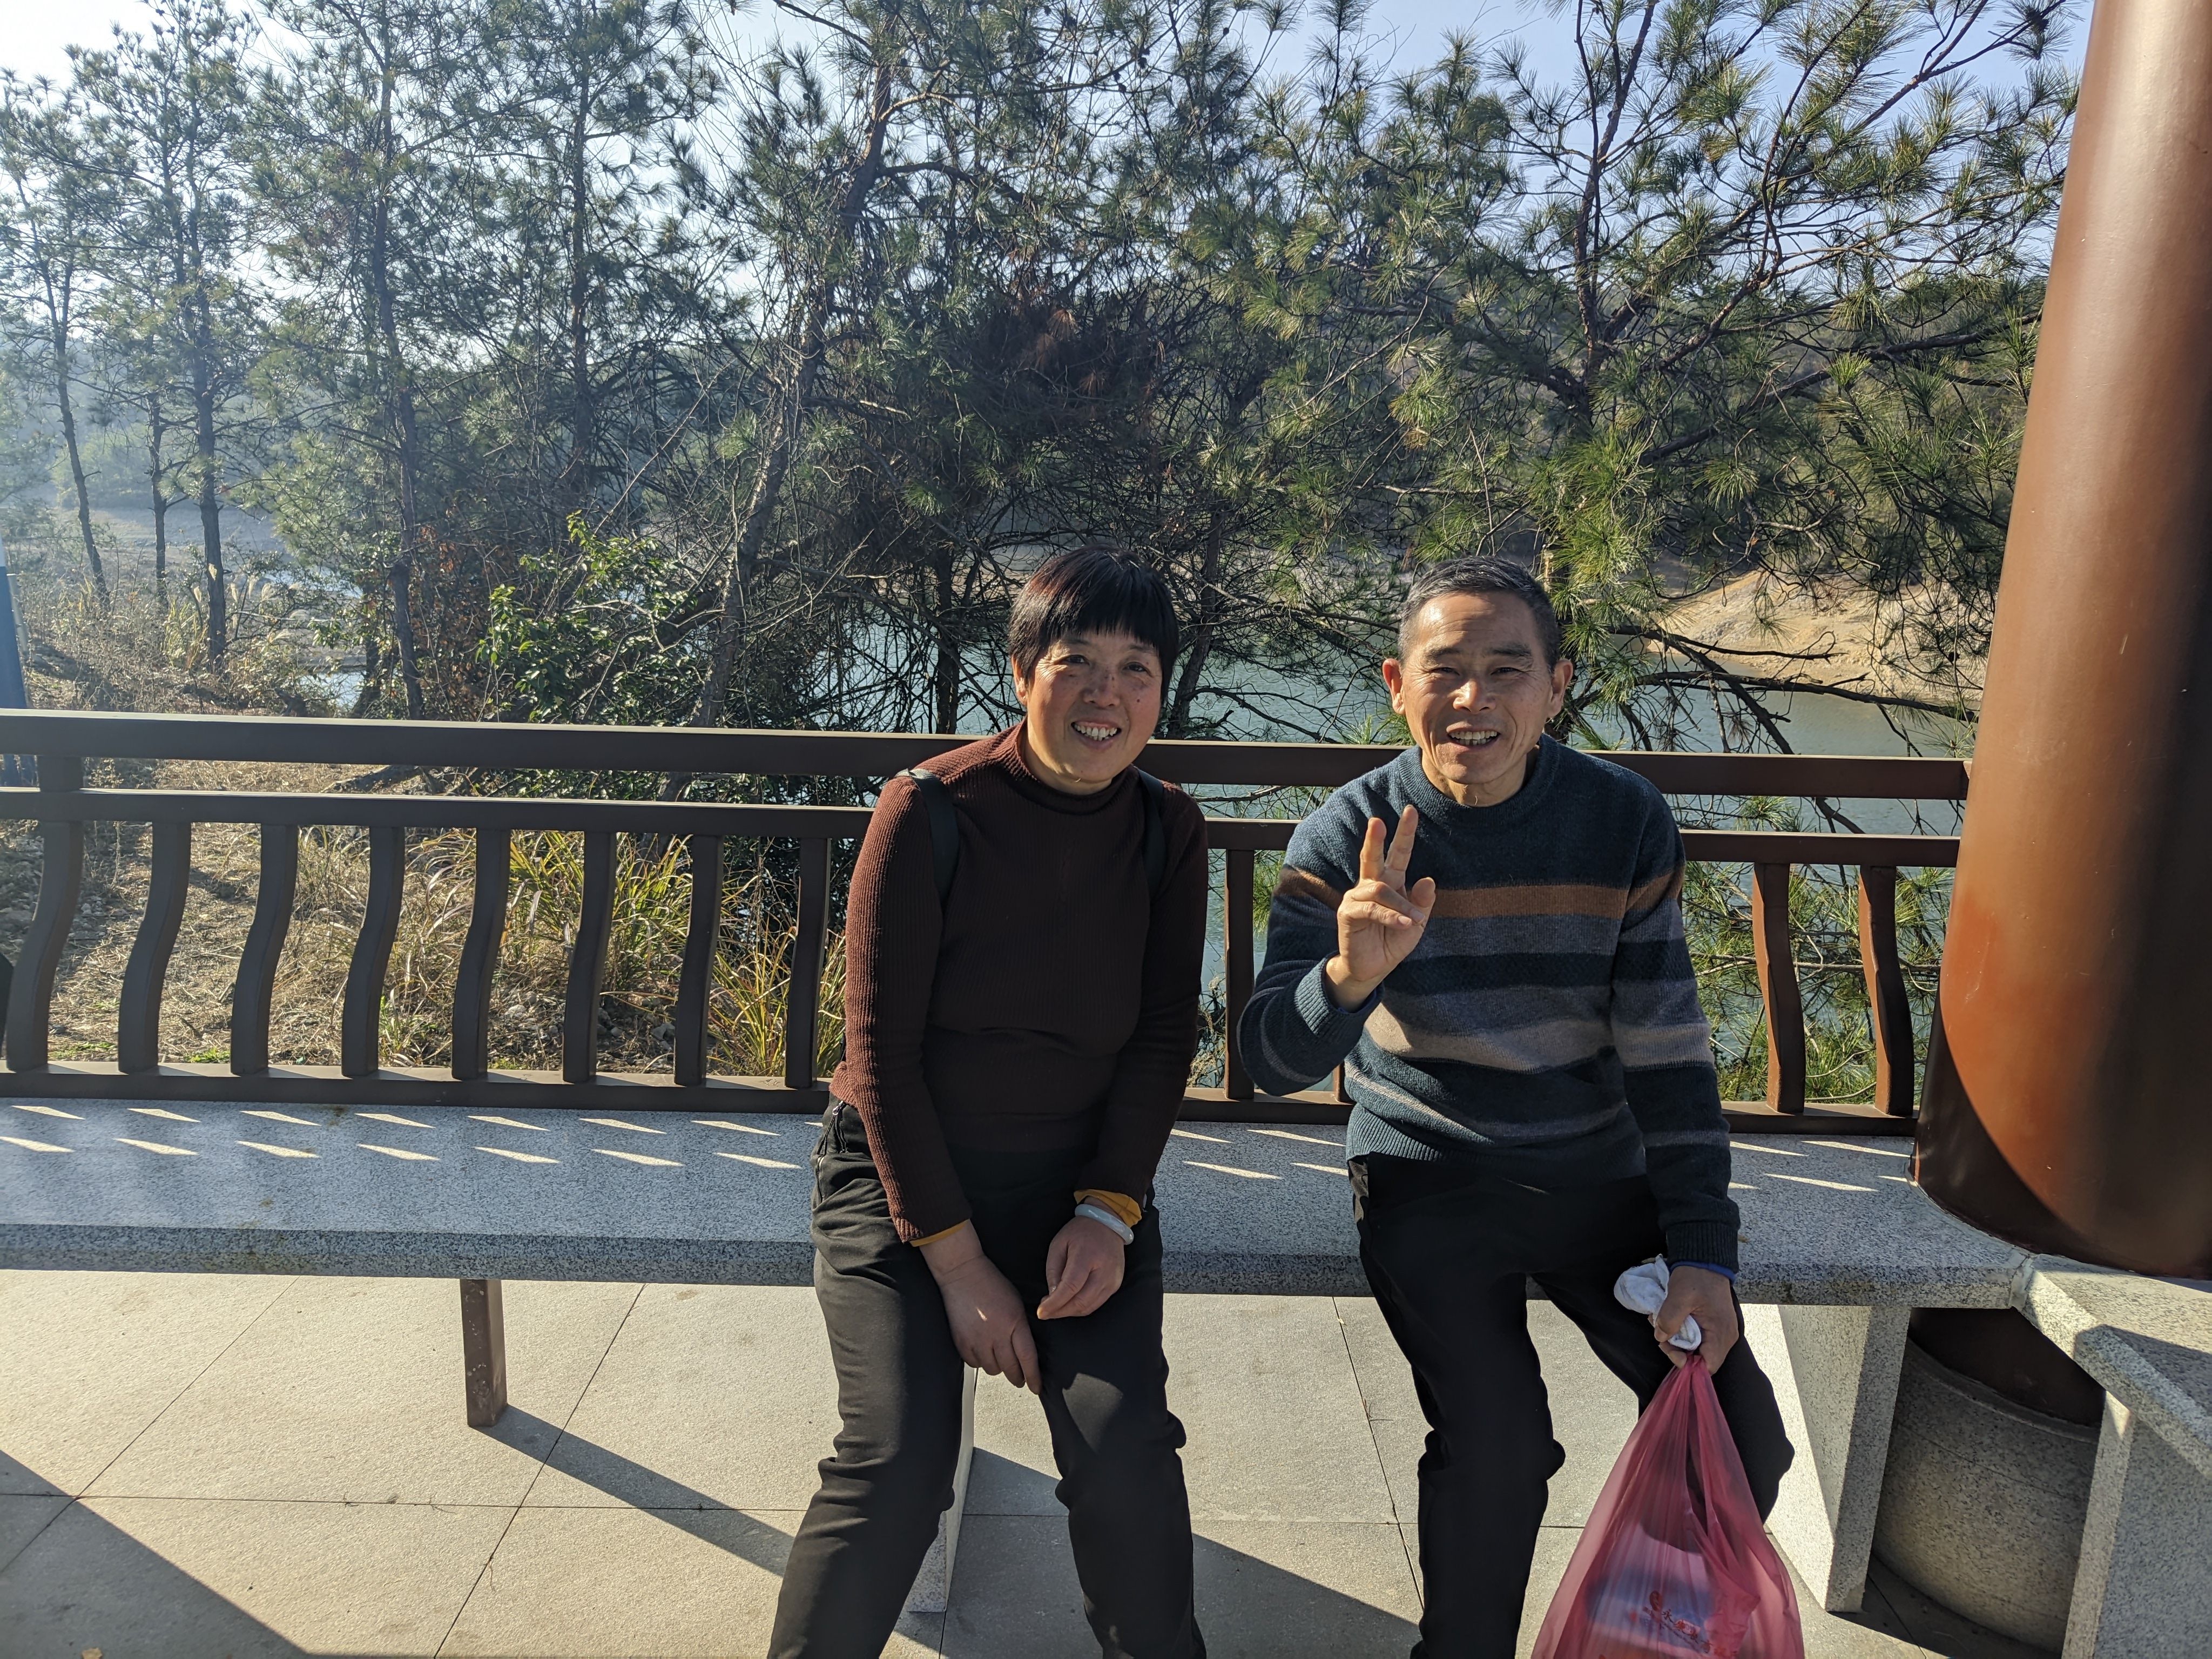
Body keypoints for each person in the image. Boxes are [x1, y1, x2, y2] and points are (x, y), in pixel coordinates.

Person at [1238, 556, 1794, 1658]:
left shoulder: (1619, 820)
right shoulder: (1343, 837)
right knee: (1498, 1450)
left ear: (1555, 686)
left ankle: (1635, 1630)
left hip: (1596, 1169)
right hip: (1426, 1172)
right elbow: (1269, 1059)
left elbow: (1668, 1049)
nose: (1472, 699)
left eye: (1506, 670)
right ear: (1396, 683)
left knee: (1742, 1440)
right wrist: (1347, 975)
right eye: (1445, 670)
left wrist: (1703, 1250)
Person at [770, 545, 1211, 1659]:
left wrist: (1108, 1210)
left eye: (1137, 667)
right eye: (1076, 662)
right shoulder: (929, 810)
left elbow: (1164, 1034)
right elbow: (878, 1054)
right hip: (902, 1182)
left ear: (1161, 690)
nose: (1106, 693)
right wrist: (960, 1266)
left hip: (1076, 1188)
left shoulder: (1166, 827)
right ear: (1022, 673)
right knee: (896, 1462)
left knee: (1124, 1455)